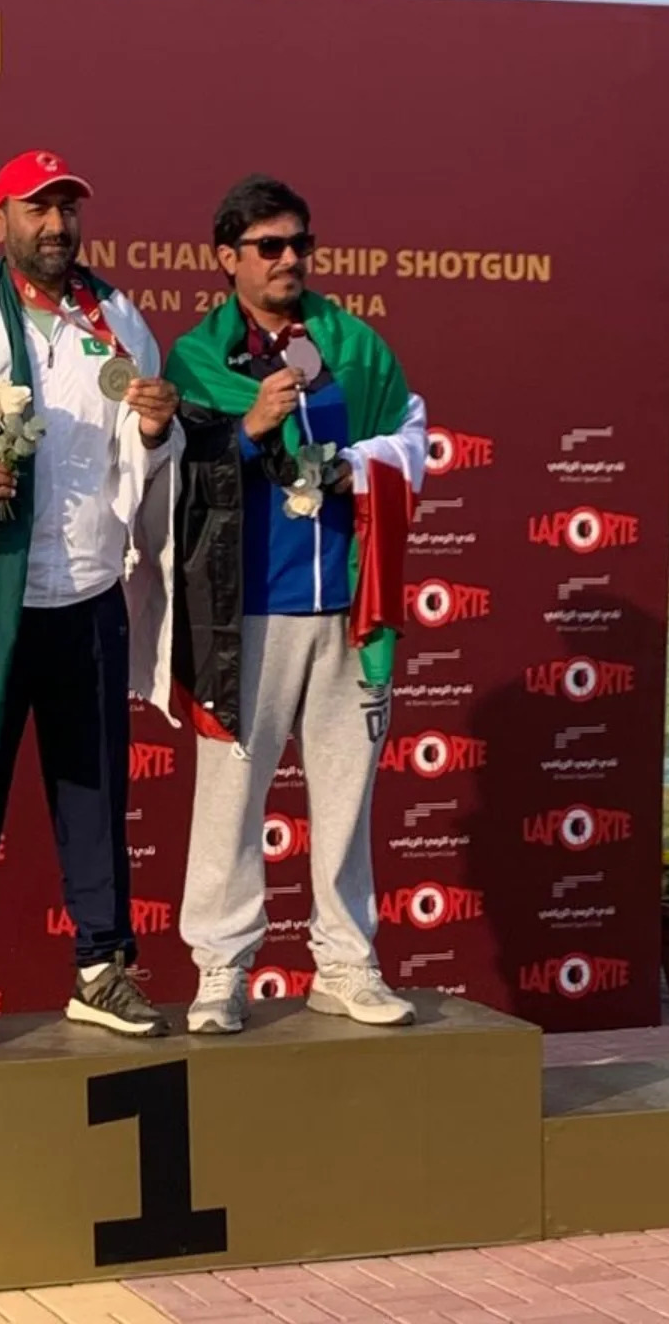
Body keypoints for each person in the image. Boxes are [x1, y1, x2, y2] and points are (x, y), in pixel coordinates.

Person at [0, 149, 182, 1050]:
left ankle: (102, 967)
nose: (56, 226)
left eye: (67, 209)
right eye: (36, 209)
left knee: (94, 792)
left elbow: (142, 463)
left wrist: (155, 430)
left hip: (88, 591)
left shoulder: (120, 321)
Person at [166, 174, 427, 1033]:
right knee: (230, 797)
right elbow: (171, 477)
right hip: (247, 612)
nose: (289, 259)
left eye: (300, 244)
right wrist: (248, 428)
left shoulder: (352, 343)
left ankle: (346, 963)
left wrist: (362, 465)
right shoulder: (197, 357)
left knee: (347, 796)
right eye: (269, 246)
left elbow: (412, 435)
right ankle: (220, 969)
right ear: (227, 257)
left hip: (350, 605)